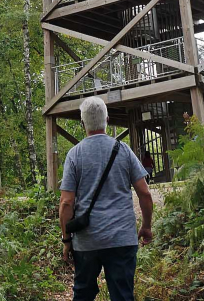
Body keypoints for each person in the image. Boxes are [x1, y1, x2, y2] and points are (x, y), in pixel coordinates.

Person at [59, 96, 153, 301]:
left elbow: (66, 203)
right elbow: (144, 193)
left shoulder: (74, 155)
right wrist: (146, 226)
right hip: (121, 239)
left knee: (83, 294)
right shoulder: (124, 151)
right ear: (107, 120)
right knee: (122, 295)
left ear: (82, 123)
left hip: (86, 242)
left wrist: (67, 240)